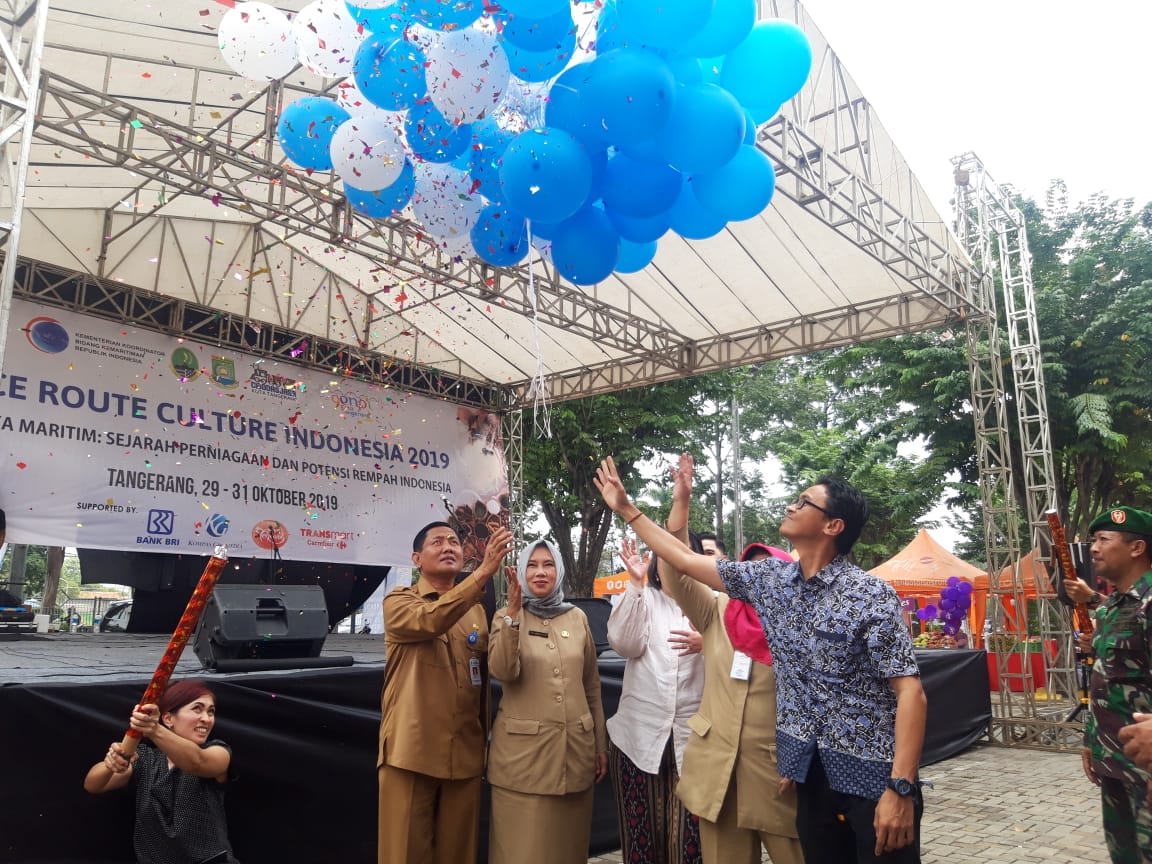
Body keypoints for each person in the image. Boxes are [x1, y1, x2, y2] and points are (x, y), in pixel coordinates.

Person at [595, 455, 927, 864]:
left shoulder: (869, 595)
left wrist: (900, 787)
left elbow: (911, 693)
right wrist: (628, 510)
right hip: (810, 783)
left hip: (871, 777)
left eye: (805, 503)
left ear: (832, 526)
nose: (791, 506)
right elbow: (682, 561)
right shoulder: (772, 583)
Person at [649, 454, 803, 864]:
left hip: (779, 774)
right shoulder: (717, 609)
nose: (759, 581)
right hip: (719, 771)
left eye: (769, 571)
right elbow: (676, 571)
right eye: (750, 571)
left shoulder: (801, 627)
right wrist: (681, 503)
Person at [377, 520, 513, 864]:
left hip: (464, 753)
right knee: (404, 854)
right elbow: (430, 620)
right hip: (411, 752)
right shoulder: (399, 601)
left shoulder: (476, 611)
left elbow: (485, 675)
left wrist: (512, 617)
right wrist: (481, 575)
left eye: (454, 541)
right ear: (416, 558)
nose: (449, 546)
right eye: (437, 542)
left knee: (459, 855)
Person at [487, 538, 608, 864]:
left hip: (576, 756)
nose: (541, 572)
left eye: (548, 564)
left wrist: (599, 744)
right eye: (532, 565)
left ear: (559, 570)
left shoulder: (577, 617)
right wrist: (513, 614)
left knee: (568, 851)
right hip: (524, 763)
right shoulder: (505, 616)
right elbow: (502, 671)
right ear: (522, 572)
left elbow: (591, 686)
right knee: (522, 852)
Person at [607, 521, 706, 864]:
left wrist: (709, 644)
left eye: (678, 553)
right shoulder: (644, 598)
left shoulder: (713, 604)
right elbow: (624, 644)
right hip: (638, 738)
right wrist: (635, 586)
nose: (670, 562)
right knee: (641, 841)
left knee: (689, 845)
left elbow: (742, 656)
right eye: (661, 555)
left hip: (694, 743)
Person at [83, 680, 238, 864]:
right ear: (168, 719)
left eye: (210, 711)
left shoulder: (218, 751)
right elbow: (93, 785)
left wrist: (153, 729)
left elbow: (197, 762)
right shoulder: (145, 758)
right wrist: (111, 763)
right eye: (197, 709)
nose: (206, 718)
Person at [1078, 506, 1152, 861]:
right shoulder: (1111, 609)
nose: (1094, 548)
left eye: (1104, 540)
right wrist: (1091, 741)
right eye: (1094, 540)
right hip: (1115, 762)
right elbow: (1103, 679)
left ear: (1136, 548)